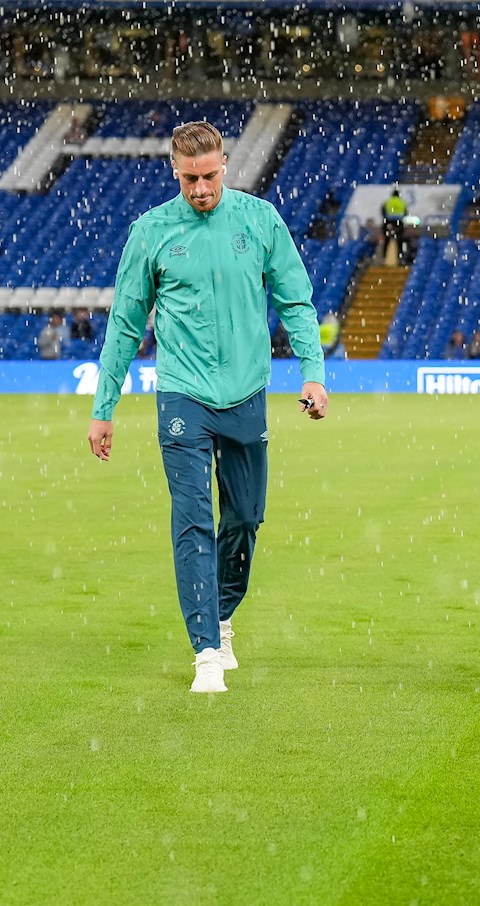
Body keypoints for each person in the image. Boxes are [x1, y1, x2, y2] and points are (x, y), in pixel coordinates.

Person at [86, 121, 328, 694]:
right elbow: (124, 325)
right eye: (190, 178)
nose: (201, 189)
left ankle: (221, 616)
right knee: (193, 518)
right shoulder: (151, 232)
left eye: (211, 175)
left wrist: (313, 373)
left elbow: (295, 300)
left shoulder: (260, 220)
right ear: (175, 170)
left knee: (245, 518)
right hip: (181, 395)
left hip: (245, 394)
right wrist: (104, 407)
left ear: (226, 165)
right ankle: (205, 651)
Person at [382, 188, 407, 263]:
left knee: (387, 240)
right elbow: (405, 212)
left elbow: (383, 211)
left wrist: (387, 219)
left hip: (389, 221)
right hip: (399, 222)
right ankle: (400, 257)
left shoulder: (388, 201)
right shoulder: (402, 202)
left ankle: (384, 257)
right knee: (399, 241)